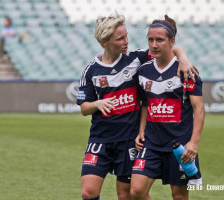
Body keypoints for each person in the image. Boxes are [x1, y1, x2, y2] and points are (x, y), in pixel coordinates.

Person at [76, 12, 198, 200]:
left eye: (126, 36)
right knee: (88, 192)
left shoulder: (136, 58)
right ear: (104, 42)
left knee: (126, 195)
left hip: (128, 140)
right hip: (100, 138)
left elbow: (169, 48)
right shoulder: (91, 69)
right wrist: (97, 103)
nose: (126, 41)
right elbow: (84, 108)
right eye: (120, 38)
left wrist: (184, 59)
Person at [130, 15, 205, 200]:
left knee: (178, 195)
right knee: (137, 191)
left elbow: (199, 109)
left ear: (172, 41)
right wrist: (141, 130)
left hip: (179, 145)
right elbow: (145, 104)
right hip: (152, 143)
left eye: (160, 40)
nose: (154, 44)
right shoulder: (144, 71)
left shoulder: (186, 71)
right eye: (150, 39)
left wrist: (194, 143)